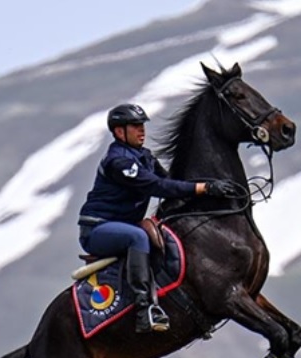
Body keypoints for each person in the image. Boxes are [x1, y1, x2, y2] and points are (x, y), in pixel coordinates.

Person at [78, 103, 240, 333]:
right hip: (96, 230)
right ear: (118, 131)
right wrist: (204, 188)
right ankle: (145, 310)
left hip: (121, 225)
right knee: (137, 238)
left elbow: (170, 182)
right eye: (135, 126)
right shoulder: (119, 161)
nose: (142, 130)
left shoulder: (143, 156)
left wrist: (209, 193)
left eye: (142, 125)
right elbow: (157, 186)